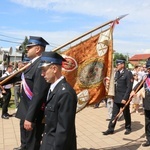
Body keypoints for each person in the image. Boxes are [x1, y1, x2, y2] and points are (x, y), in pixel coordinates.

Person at [12, 36, 50, 150]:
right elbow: (16, 77)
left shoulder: (41, 66)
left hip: (33, 115)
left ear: (37, 49)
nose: (26, 50)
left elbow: (38, 95)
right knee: (25, 144)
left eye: (29, 47)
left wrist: (30, 117)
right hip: (25, 112)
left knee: (32, 145)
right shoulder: (31, 64)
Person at [39, 51, 77, 150]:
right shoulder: (52, 87)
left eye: (44, 70)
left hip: (56, 145)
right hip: (48, 141)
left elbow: (63, 130)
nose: (42, 74)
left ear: (54, 69)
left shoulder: (65, 93)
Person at [102, 59, 133, 135]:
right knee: (114, 114)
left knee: (126, 114)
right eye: (117, 64)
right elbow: (115, 85)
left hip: (123, 98)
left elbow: (129, 87)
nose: (117, 66)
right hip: (116, 97)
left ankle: (128, 127)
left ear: (122, 65)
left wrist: (125, 98)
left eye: (118, 64)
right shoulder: (117, 73)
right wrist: (112, 96)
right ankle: (110, 129)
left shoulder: (128, 73)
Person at [130, 58, 150, 147]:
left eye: (149, 69)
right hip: (147, 104)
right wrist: (133, 90)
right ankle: (149, 139)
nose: (148, 70)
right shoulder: (146, 77)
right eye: (148, 68)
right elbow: (139, 85)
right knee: (148, 122)